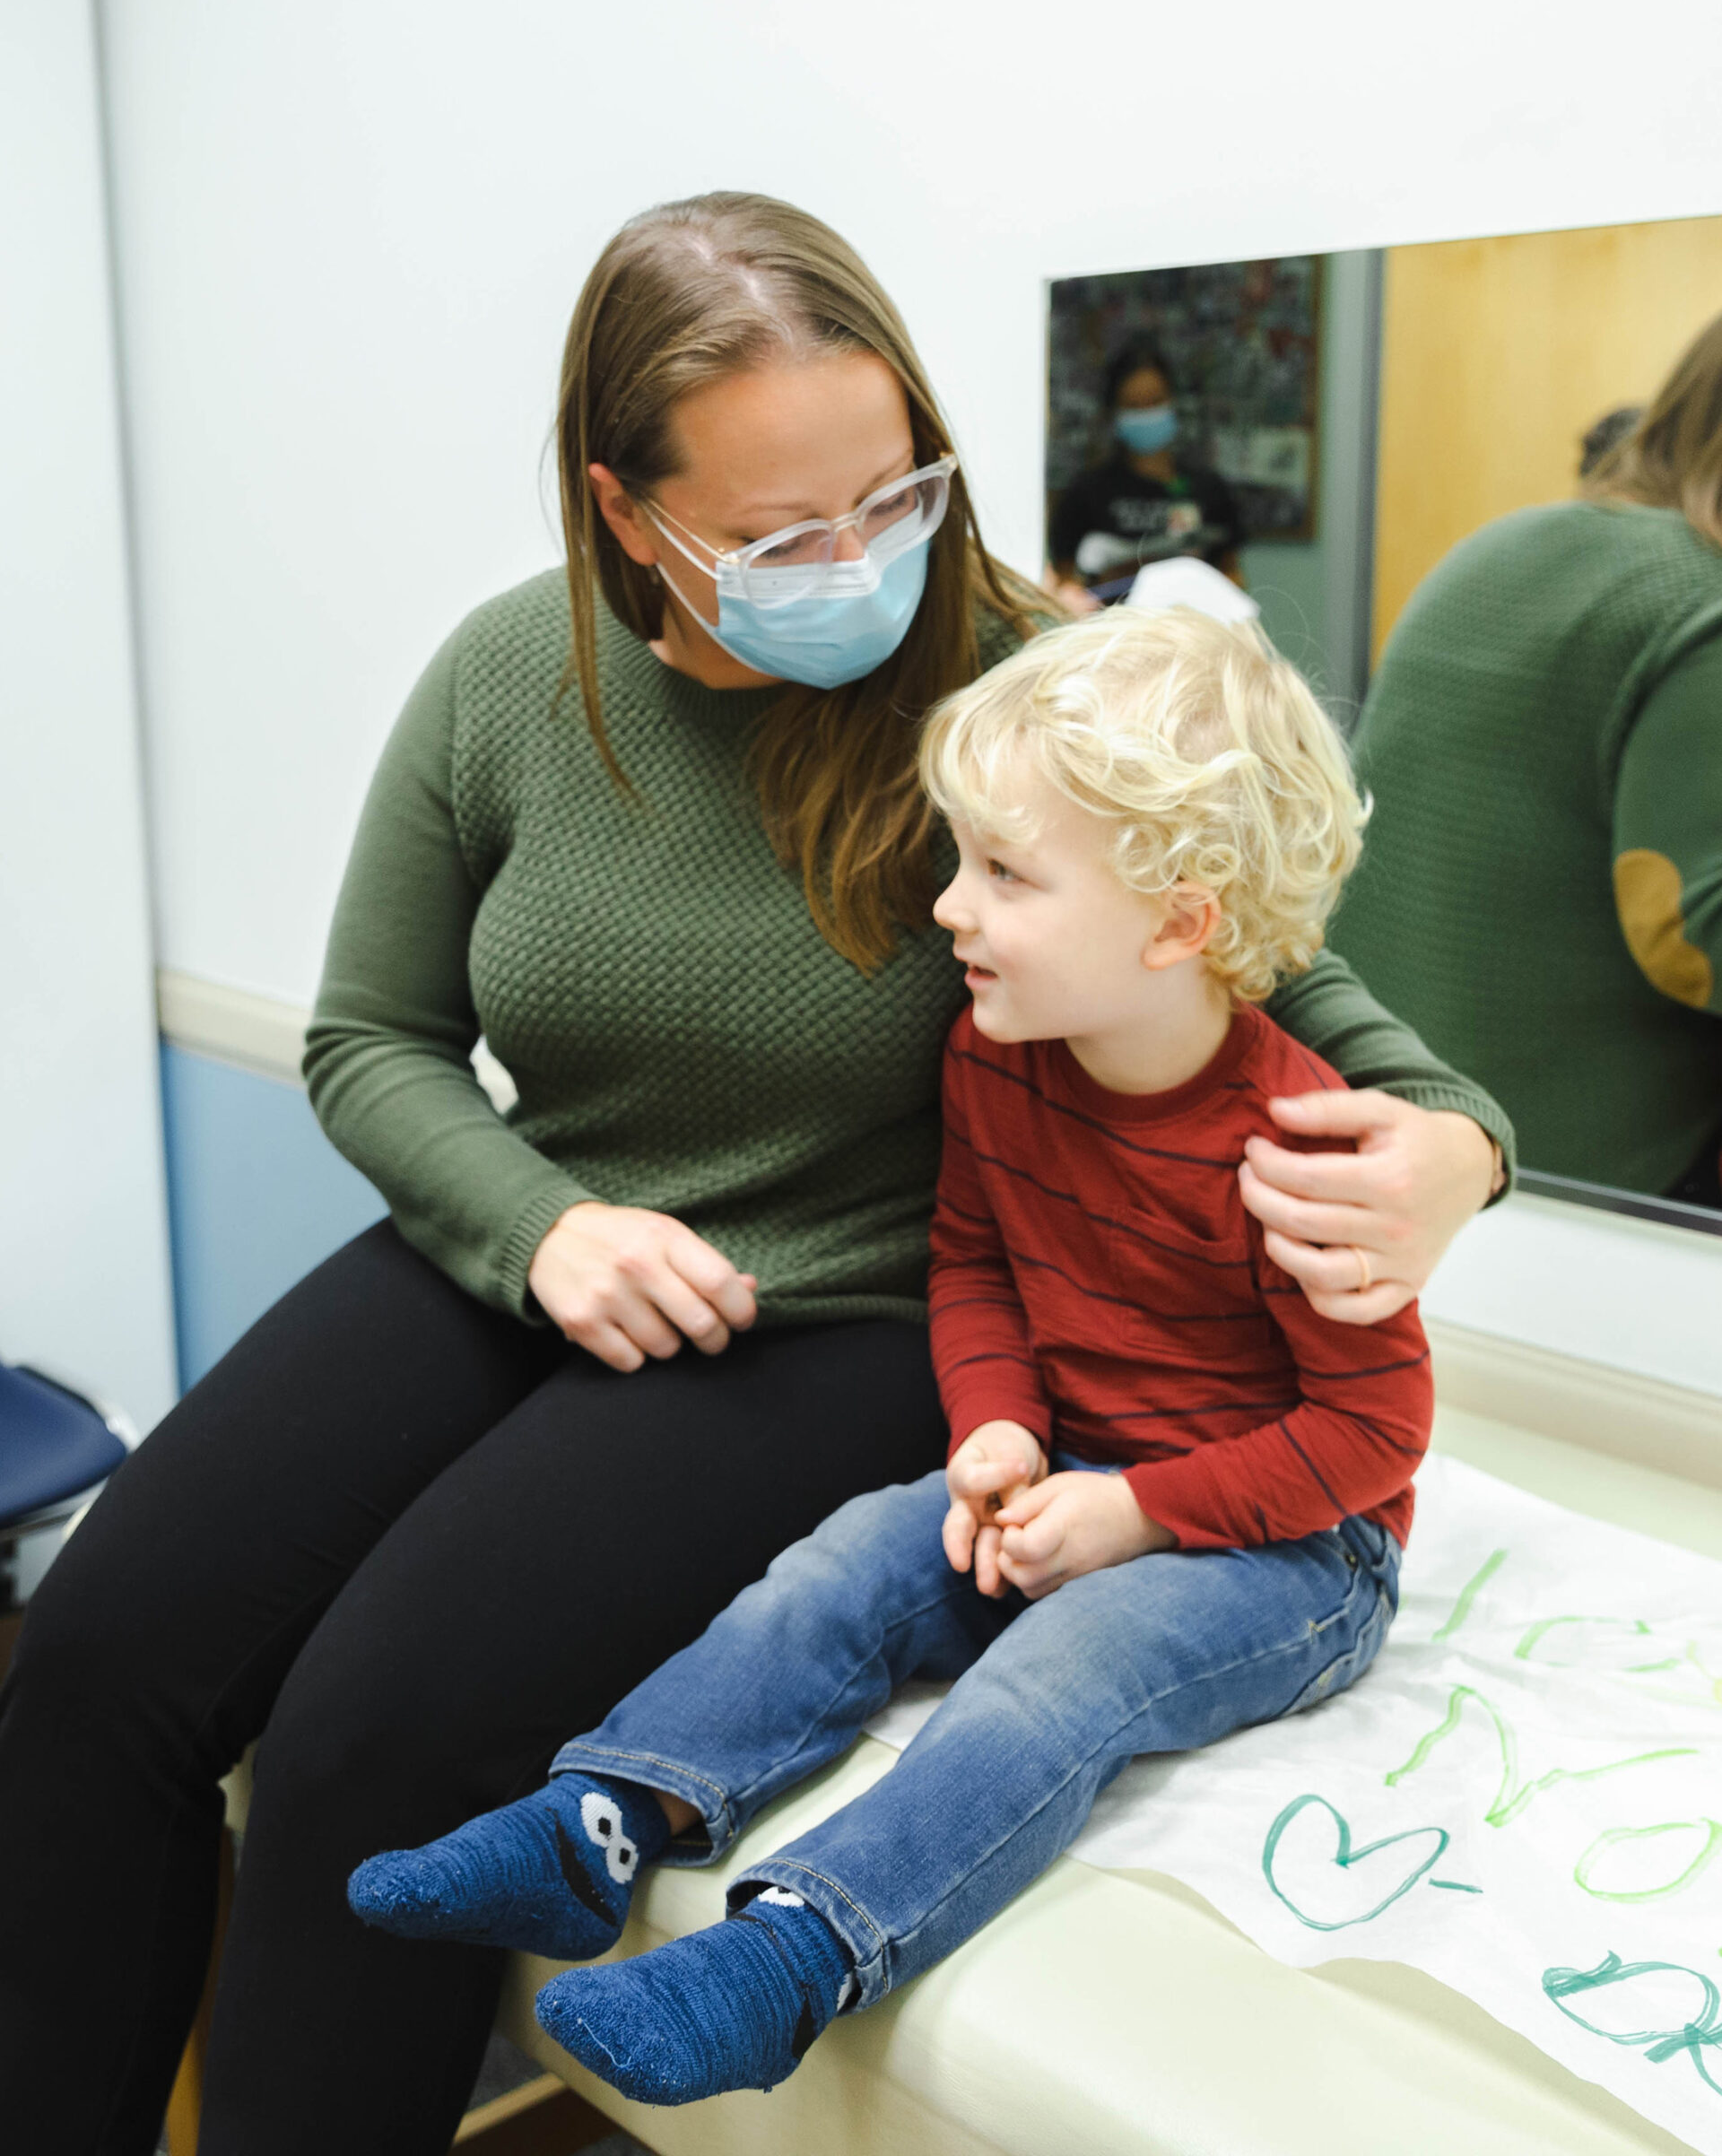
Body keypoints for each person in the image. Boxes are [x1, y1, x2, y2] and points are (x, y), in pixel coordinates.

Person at [0, 195, 1509, 2156]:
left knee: (376, 1731)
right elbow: (370, 1038)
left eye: (893, 497)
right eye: (783, 533)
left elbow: (1295, 980)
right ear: (629, 512)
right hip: (534, 1238)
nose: (860, 566)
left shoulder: (1022, 682)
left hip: (854, 1308)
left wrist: (1455, 1154)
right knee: (100, 1656)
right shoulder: (505, 678)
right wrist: (540, 1227)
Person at [348, 606, 1428, 2106]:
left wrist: (1135, 1517)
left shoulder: (1301, 1152)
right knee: (844, 1562)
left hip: (1292, 1550)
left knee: (1062, 1673)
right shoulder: (998, 1054)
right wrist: (997, 1430)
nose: (949, 913)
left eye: (1004, 876)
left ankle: (795, 1952)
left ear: (1178, 923)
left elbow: (1371, 1443)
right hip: (1072, 1475)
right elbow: (976, 1263)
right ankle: (599, 1821)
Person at [1330, 310, 1722, 1203]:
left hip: (1376, 1100)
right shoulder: (1703, 600)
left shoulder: (1506, 540)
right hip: (1583, 1161)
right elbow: (1693, 935)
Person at [1047, 339, 1248, 606]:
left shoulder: (1209, 489)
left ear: (1172, 400)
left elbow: (1231, 573)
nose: (1146, 413)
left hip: (1191, 636)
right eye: (1133, 405)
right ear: (1115, 411)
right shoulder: (1087, 493)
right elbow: (1064, 581)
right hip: (1111, 638)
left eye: (1155, 401)